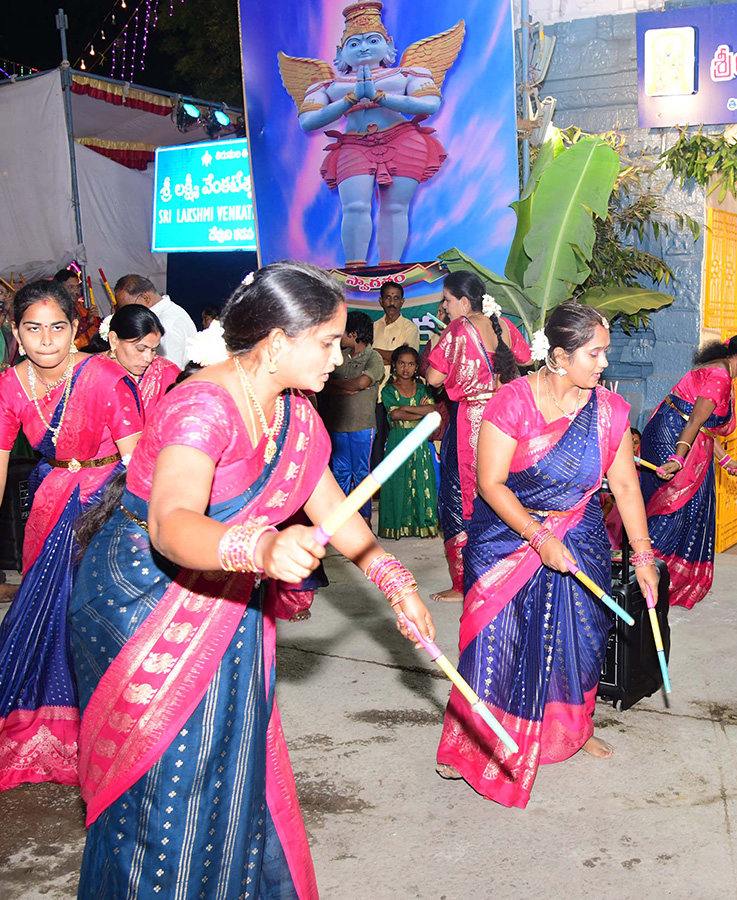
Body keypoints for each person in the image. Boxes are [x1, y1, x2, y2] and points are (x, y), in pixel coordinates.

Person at [68, 261, 435, 897]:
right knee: (166, 783)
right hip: (144, 602)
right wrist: (261, 545)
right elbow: (170, 522)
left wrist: (392, 576)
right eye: (326, 342)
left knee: (230, 765)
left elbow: (331, 507)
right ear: (274, 345)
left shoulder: (292, 412)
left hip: (229, 595)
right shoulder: (202, 407)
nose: (341, 356)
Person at [436, 302, 657, 808]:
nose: (604, 363)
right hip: (507, 539)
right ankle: (477, 744)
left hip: (580, 538)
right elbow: (490, 484)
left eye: (606, 351)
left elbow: (624, 483)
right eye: (594, 353)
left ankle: (571, 733)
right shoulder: (511, 401)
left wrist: (643, 556)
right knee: (496, 644)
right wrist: (538, 538)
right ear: (558, 355)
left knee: (577, 644)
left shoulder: (609, 411)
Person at [0, 280, 142, 790]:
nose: (46, 340)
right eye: (33, 329)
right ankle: (49, 732)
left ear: (75, 330)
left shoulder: (104, 375)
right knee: (43, 614)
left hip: (107, 502)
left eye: (57, 327)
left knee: (96, 613)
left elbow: (138, 462)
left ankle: (112, 733)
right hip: (51, 500)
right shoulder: (9, 386)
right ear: (16, 333)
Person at [638, 330, 737, 608]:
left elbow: (704, 427)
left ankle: (664, 579)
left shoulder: (721, 371)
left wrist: (723, 459)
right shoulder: (721, 376)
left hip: (680, 434)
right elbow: (695, 421)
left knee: (691, 507)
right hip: (675, 437)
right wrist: (678, 457)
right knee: (674, 508)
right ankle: (645, 578)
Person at [425, 271, 531, 602]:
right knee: (500, 490)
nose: (444, 306)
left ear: (465, 302)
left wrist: (439, 336)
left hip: (469, 422)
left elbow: (433, 378)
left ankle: (464, 583)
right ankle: (503, 572)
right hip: (504, 420)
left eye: (447, 300)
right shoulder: (504, 325)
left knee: (458, 498)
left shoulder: (458, 329)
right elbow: (527, 358)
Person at [323, 309, 385, 522]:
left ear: (355, 334)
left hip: (362, 426)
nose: (339, 338)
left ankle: (364, 519)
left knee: (361, 473)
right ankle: (341, 520)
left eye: (344, 333)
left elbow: (362, 383)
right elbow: (325, 387)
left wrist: (342, 385)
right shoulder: (339, 357)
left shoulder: (373, 358)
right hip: (337, 425)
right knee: (340, 474)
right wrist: (348, 388)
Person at [379, 345, 439, 538]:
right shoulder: (389, 390)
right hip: (398, 441)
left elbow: (431, 411)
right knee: (398, 482)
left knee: (422, 482)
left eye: (411, 363)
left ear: (416, 367)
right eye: (402, 363)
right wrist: (417, 409)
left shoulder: (422, 389)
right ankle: (397, 526)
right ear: (394, 366)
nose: (406, 367)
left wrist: (405, 408)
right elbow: (394, 414)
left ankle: (424, 525)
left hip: (419, 441)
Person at [100, 304, 181, 416]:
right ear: (114, 340)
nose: (148, 358)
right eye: (140, 349)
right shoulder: (90, 372)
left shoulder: (167, 374)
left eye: (153, 350)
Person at [371, 280, 420, 466]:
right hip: (374, 394)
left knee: (397, 442)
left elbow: (405, 359)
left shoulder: (409, 328)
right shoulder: (373, 327)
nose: (392, 302)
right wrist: (391, 357)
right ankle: (378, 490)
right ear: (381, 301)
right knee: (376, 441)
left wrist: (379, 353)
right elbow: (368, 358)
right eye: (388, 298)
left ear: (402, 302)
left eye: (396, 298)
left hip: (399, 396)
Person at [112, 274, 198, 368]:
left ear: (145, 298)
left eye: (129, 307)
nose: (128, 313)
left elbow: (168, 370)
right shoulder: (171, 312)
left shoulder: (167, 324)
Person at [54, 267, 100, 350]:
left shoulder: (81, 310)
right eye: (71, 287)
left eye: (77, 287)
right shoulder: (55, 311)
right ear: (59, 289)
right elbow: (67, 338)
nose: (76, 291)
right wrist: (87, 322)